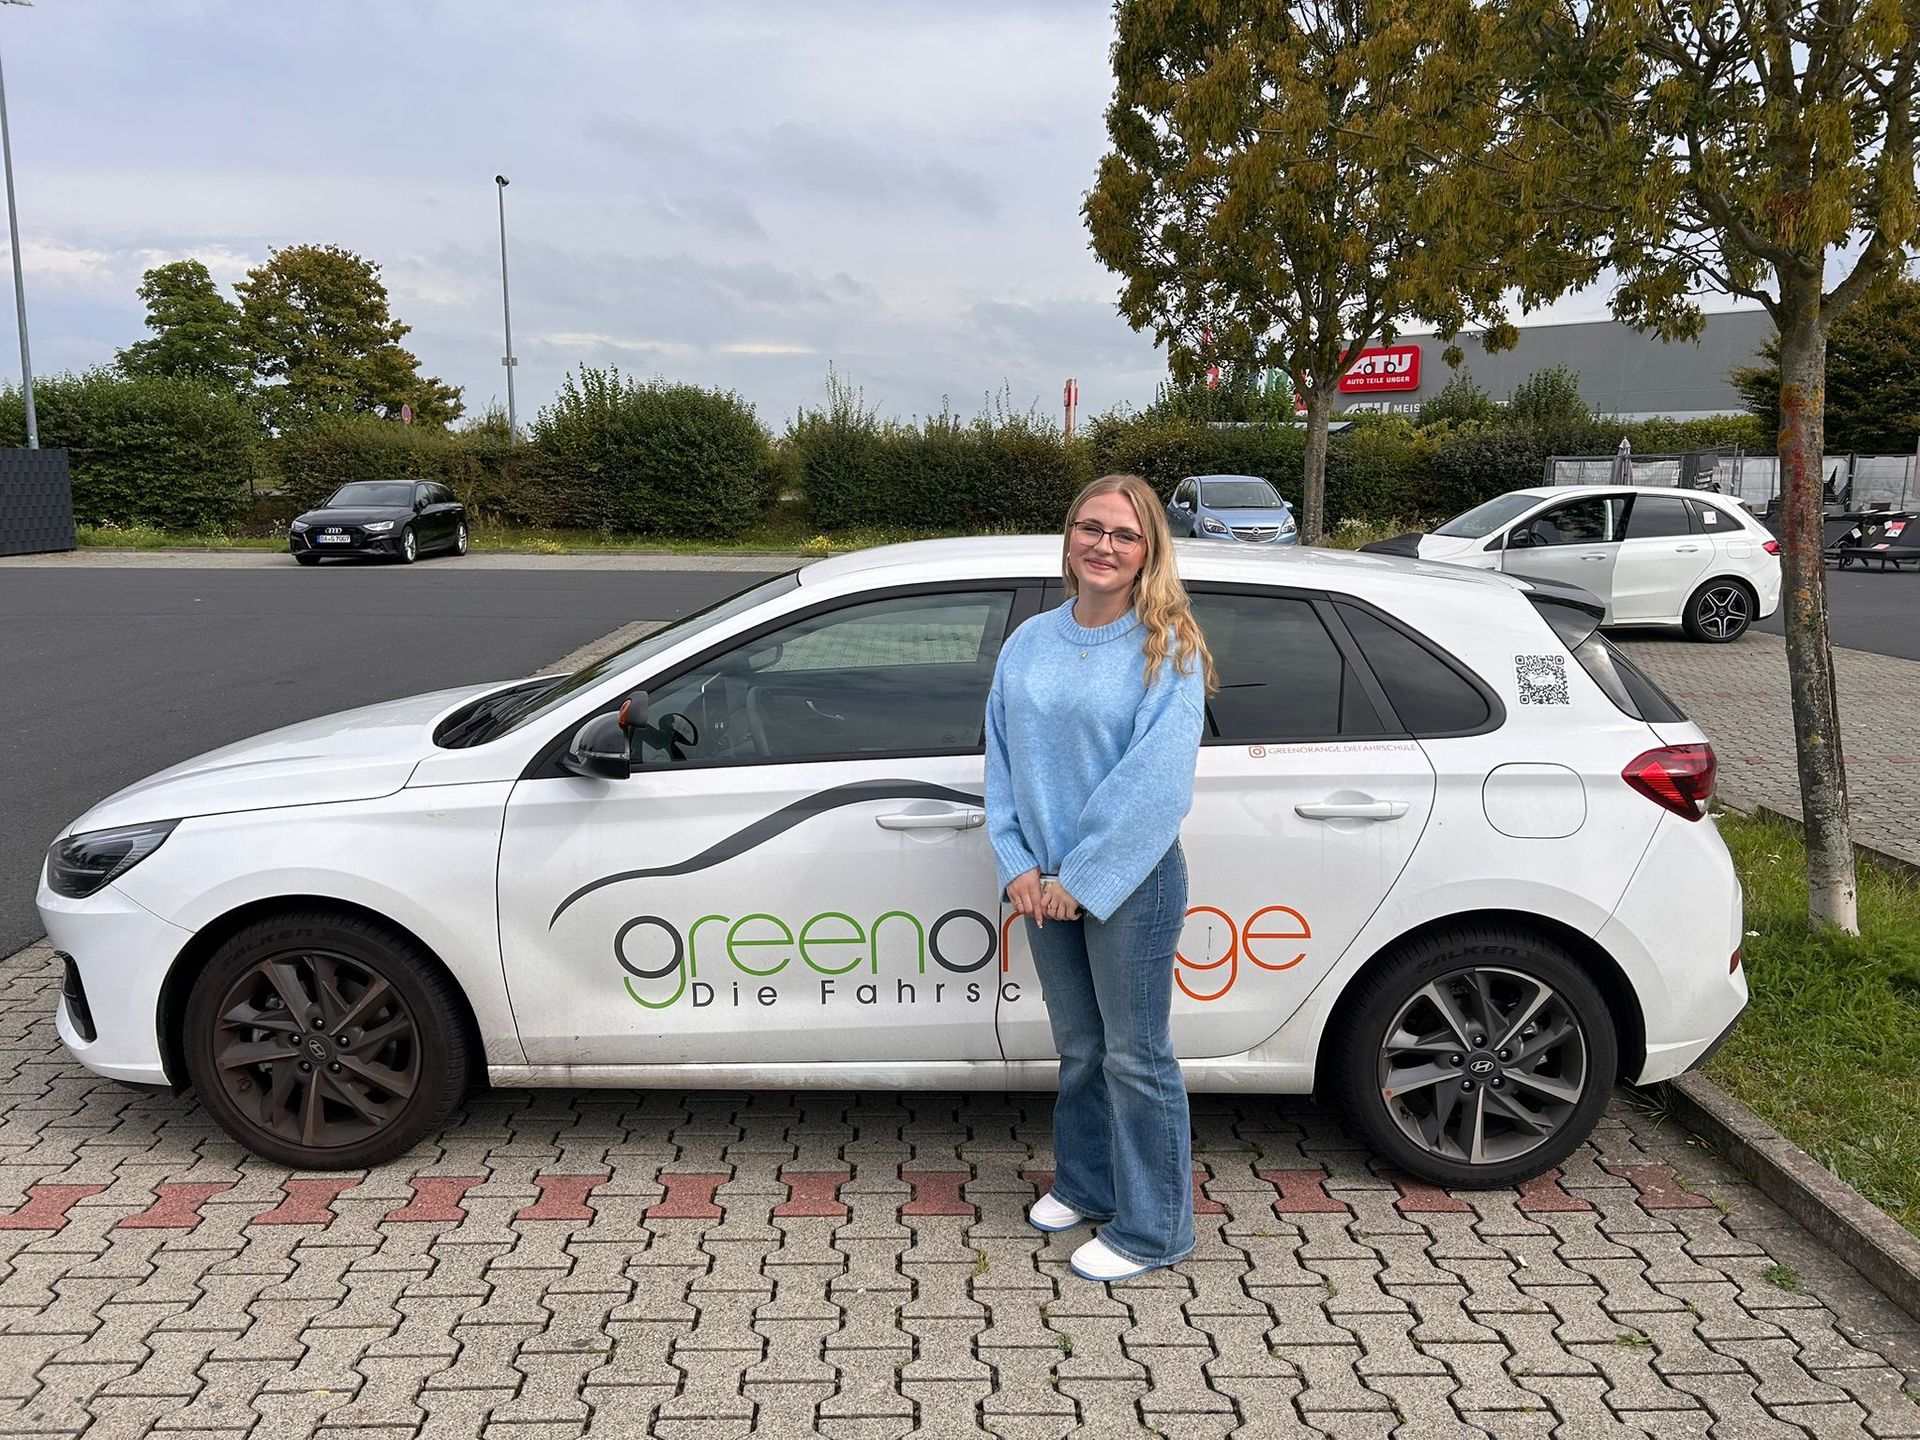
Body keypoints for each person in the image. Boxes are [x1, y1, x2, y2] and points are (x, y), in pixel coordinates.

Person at [984, 472, 1216, 1282]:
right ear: (1070, 535)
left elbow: (1155, 784)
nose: (1104, 546)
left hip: (1130, 882)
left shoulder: (1168, 646)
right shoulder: (1029, 641)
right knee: (1081, 1048)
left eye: (1124, 534)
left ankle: (1156, 1230)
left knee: (1136, 1056)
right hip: (1044, 883)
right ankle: (1087, 1184)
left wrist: (1079, 877)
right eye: (1091, 528)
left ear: (1149, 549)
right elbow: (1002, 758)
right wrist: (1016, 861)